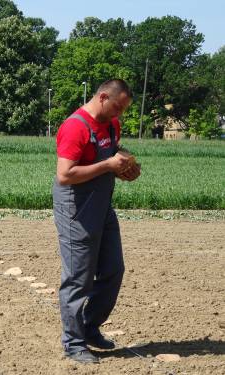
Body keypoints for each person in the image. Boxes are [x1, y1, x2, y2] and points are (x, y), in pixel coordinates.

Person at [52, 79, 140, 363]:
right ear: (103, 97)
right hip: (76, 208)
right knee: (79, 277)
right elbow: (65, 175)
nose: (119, 115)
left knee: (114, 270)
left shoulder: (112, 124)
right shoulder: (75, 126)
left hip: (102, 205)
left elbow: (113, 151)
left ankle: (89, 328)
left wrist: (124, 162)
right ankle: (74, 342)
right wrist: (107, 166)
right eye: (117, 108)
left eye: (123, 110)